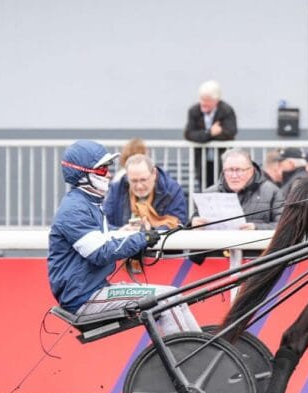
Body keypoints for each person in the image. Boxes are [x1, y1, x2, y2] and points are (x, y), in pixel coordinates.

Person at [48, 140, 199, 334]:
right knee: (166, 298)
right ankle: (188, 352)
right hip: (83, 298)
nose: (109, 174)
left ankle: (201, 347)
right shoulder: (75, 209)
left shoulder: (87, 203)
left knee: (174, 295)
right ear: (84, 174)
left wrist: (129, 233)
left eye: (108, 169)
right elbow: (101, 252)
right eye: (102, 169)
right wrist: (143, 238)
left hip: (92, 289)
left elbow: (106, 236)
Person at [191, 148, 283, 230]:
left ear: (251, 170)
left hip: (256, 244)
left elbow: (284, 226)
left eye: (239, 170)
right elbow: (190, 226)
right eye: (229, 170)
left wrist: (257, 228)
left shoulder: (272, 192)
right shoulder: (209, 194)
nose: (234, 175)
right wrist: (194, 224)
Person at [103, 154, 187, 231]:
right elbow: (102, 222)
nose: (139, 186)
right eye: (134, 181)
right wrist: (120, 231)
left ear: (154, 174)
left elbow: (178, 223)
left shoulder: (172, 190)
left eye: (143, 180)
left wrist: (150, 231)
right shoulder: (117, 189)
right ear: (127, 177)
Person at [184, 80, 238, 189]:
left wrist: (202, 137)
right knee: (204, 188)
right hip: (201, 160)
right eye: (202, 99)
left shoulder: (226, 110)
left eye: (207, 100)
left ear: (216, 101)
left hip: (222, 159)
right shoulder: (194, 111)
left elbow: (230, 133)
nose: (203, 103)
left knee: (223, 188)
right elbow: (189, 134)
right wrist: (210, 133)